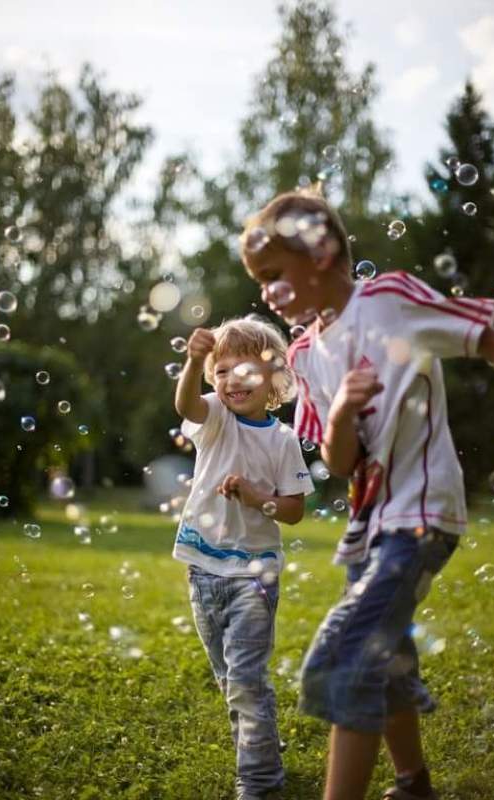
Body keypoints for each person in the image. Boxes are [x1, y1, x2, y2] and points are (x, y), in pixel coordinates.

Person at [239, 188, 494, 800]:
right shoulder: (304, 355)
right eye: (259, 281)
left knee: (350, 653)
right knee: (385, 652)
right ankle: (413, 784)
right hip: (368, 527)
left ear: (320, 254)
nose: (266, 293)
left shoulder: (388, 301)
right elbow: (338, 462)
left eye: (273, 275)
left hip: (421, 513)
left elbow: (493, 341)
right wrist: (342, 412)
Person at [173, 317, 315, 800]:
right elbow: (185, 404)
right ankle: (262, 745)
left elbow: (293, 511)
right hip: (203, 569)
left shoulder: (283, 440)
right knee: (230, 677)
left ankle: (258, 780)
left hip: (255, 575)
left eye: (246, 370)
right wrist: (194, 360)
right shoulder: (214, 417)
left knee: (246, 680)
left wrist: (257, 498)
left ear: (275, 378)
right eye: (222, 370)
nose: (232, 380)